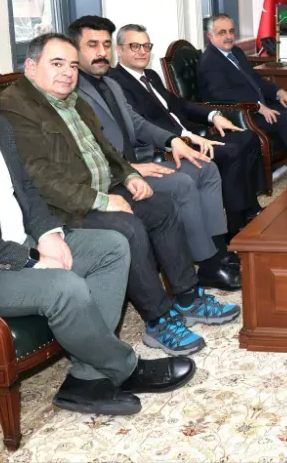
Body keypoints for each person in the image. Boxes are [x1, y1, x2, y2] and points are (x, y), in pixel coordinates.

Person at [0, 38, 195, 416]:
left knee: (112, 245)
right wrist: (31, 258)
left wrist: (49, 234)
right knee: (65, 286)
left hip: (20, 240)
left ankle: (87, 380)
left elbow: (26, 190)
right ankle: (125, 367)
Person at [0, 33, 240, 357]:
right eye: (57, 64)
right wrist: (101, 201)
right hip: (63, 207)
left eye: (72, 65)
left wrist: (129, 175)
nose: (67, 73)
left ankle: (187, 296)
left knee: (160, 206)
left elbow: (106, 149)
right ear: (30, 67)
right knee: (129, 227)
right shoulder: (15, 108)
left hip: (102, 188)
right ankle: (158, 319)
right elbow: (38, 177)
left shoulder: (73, 100)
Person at [66, 15, 241, 292]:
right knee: (182, 184)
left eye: (106, 45)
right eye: (92, 45)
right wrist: (129, 168)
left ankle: (218, 250)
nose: (101, 52)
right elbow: (88, 148)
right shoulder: (71, 91)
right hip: (115, 176)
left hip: (136, 163)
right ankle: (207, 265)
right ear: (75, 49)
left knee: (205, 167)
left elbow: (137, 123)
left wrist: (173, 140)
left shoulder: (110, 83)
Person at [110, 22, 266, 241]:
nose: (142, 52)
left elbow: (180, 104)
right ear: (119, 50)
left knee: (248, 137)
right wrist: (184, 137)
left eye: (146, 46)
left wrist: (213, 115)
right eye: (135, 46)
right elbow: (141, 124)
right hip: (171, 146)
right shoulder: (115, 83)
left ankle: (249, 207)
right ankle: (235, 222)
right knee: (231, 151)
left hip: (191, 134)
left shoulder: (150, 75)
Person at [198, 13, 287, 174]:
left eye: (231, 31)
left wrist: (279, 92)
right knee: (285, 117)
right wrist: (257, 106)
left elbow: (255, 79)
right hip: (239, 114)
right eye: (222, 32)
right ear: (210, 36)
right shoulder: (210, 62)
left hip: (257, 105)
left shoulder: (235, 52)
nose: (229, 36)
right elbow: (222, 96)